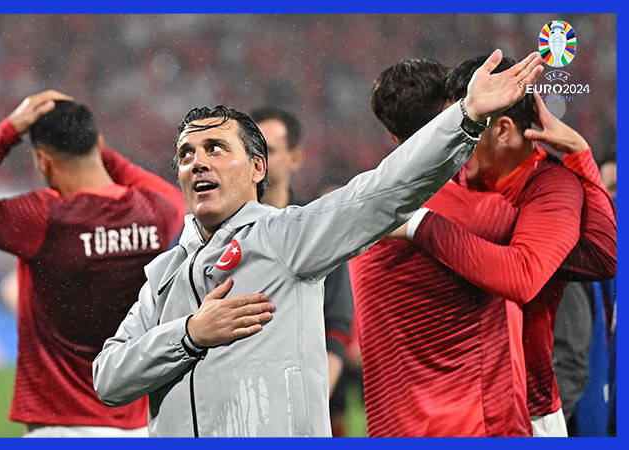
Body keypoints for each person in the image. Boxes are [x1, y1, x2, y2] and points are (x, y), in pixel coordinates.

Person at [92, 50, 545, 437]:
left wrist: (466, 116)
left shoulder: (287, 236)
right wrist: (190, 335)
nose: (197, 162)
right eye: (186, 154)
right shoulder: (164, 273)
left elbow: (386, 189)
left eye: (216, 148)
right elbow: (109, 380)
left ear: (257, 168)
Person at [351, 57, 615, 436]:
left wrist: (579, 153)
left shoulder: (549, 188)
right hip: (465, 412)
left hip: (519, 408)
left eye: (470, 125)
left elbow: (593, 260)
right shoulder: (460, 186)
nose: (460, 138)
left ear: (502, 129)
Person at [0, 90, 186, 437]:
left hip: (61, 425)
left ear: (44, 162)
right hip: (139, 425)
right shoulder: (156, 210)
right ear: (99, 144)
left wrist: (7, 132)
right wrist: (90, 142)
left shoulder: (46, 218)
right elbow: (172, 198)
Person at [249, 106, 354, 397]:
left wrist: (315, 398)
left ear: (295, 158)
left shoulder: (317, 228)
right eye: (250, 150)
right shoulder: (221, 229)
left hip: (300, 391)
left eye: (268, 150)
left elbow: (336, 325)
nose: (257, 159)